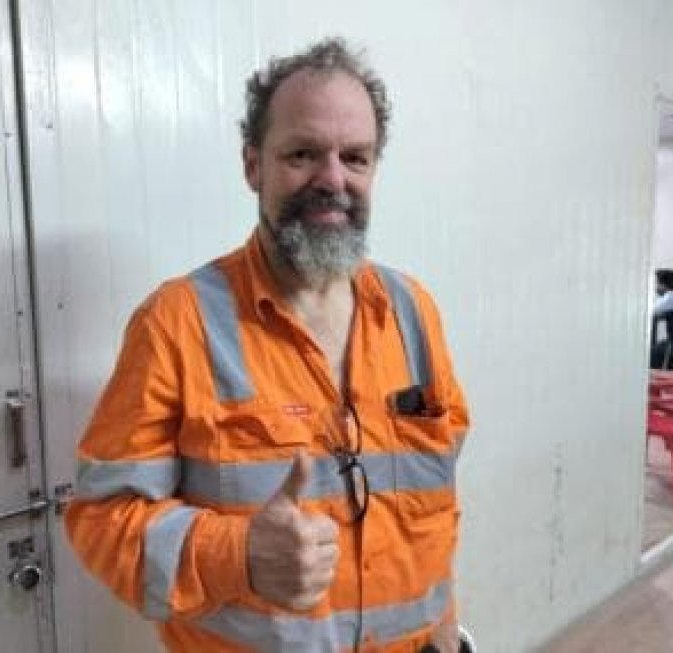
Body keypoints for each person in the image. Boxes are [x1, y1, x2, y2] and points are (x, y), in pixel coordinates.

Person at [65, 37, 471, 653]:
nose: (332, 179)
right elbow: (100, 520)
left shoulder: (414, 312)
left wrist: (446, 632)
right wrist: (240, 555)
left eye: (355, 158)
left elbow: (435, 506)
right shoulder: (177, 323)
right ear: (253, 164)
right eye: (303, 154)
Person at [651, 269, 673, 369]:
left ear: (664, 284)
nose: (655, 287)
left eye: (657, 283)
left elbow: (650, 310)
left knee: (648, 354)